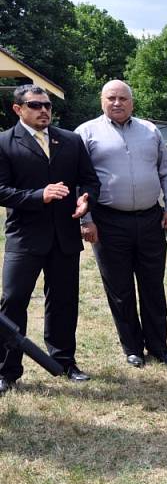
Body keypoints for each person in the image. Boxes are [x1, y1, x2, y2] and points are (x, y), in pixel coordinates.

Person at [0, 84, 101, 394]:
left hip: (64, 237)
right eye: (35, 105)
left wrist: (86, 200)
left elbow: (89, 180)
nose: (43, 110)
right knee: (13, 301)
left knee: (63, 301)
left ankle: (64, 361)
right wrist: (38, 196)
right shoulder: (4, 142)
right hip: (25, 237)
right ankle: (7, 371)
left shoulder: (70, 140)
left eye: (47, 105)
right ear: (18, 109)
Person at [75, 80, 167, 368]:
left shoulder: (150, 130)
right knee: (119, 288)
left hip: (150, 219)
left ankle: (159, 346)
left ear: (132, 102)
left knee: (153, 286)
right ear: (102, 100)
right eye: (111, 98)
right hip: (108, 222)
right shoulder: (85, 133)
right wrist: (86, 219)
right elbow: (79, 180)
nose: (117, 103)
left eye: (123, 98)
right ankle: (132, 347)